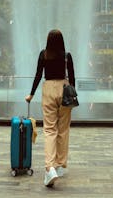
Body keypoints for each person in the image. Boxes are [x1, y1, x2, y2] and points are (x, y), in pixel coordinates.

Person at [25, 29, 75, 187]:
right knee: (63, 129)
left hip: (48, 90)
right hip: (65, 89)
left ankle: (50, 168)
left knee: (49, 129)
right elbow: (72, 77)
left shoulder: (43, 54)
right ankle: (59, 165)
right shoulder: (67, 56)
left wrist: (31, 94)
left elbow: (38, 75)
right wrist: (71, 93)